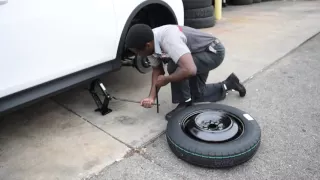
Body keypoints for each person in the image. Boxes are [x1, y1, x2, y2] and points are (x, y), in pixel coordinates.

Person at [125, 23, 246, 120]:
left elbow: (189, 69)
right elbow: (157, 70)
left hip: (212, 51)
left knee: (174, 66)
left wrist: (167, 79)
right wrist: (151, 97)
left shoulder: (168, 39)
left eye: (138, 52)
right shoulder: (150, 45)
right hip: (195, 53)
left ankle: (185, 104)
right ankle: (229, 84)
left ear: (147, 45)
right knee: (197, 94)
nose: (138, 55)